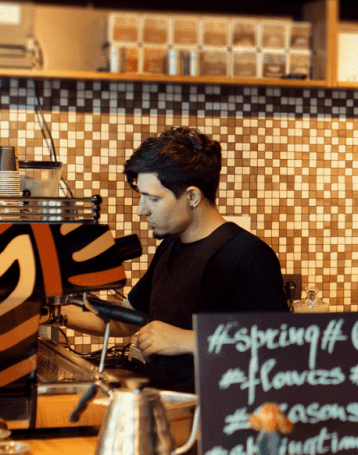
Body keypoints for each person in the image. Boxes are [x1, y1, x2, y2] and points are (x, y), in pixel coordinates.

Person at [67, 126, 288, 392]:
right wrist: (51, 314)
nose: (141, 210)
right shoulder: (170, 246)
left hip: (215, 412)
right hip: (169, 404)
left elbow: (280, 346)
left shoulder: (246, 255)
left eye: (153, 198)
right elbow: (125, 320)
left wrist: (188, 340)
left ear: (192, 197)